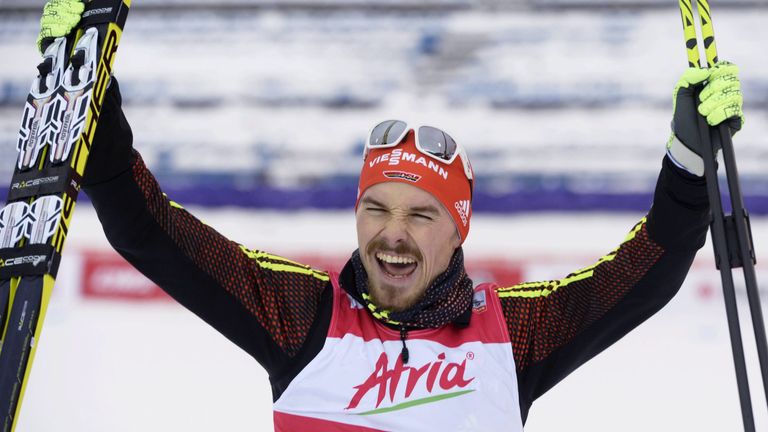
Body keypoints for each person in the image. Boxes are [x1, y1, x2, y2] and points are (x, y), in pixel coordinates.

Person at [39, 1, 744, 430]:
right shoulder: (301, 316)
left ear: (459, 229)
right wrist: (90, 101)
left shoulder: (514, 332)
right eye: (375, 206)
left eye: (420, 213)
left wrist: (688, 158)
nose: (392, 232)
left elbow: (646, 272)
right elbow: (146, 228)